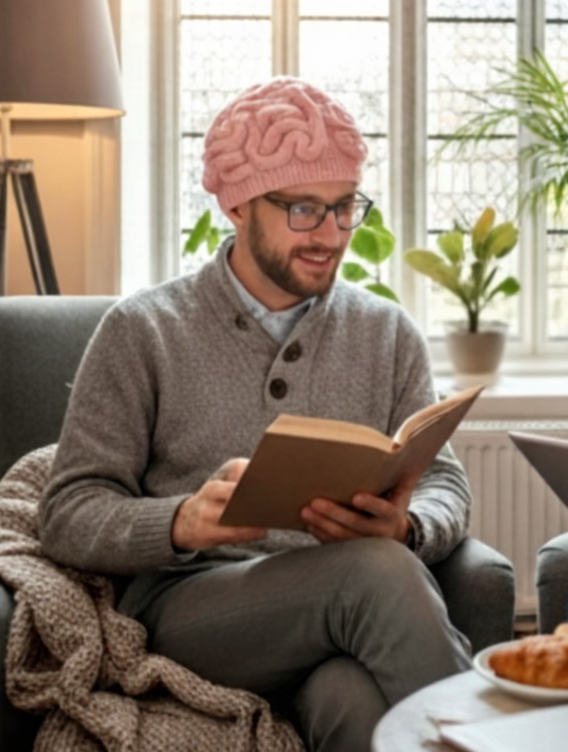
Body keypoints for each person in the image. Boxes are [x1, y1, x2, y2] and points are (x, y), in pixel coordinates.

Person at [39, 78, 473, 752]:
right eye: (303, 209)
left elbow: (445, 482)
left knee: (352, 702)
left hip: (336, 622)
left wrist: (409, 523)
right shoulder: (142, 329)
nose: (330, 234)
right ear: (235, 205)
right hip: (190, 609)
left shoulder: (386, 332)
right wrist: (181, 520)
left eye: (343, 207)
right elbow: (68, 510)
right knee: (374, 572)